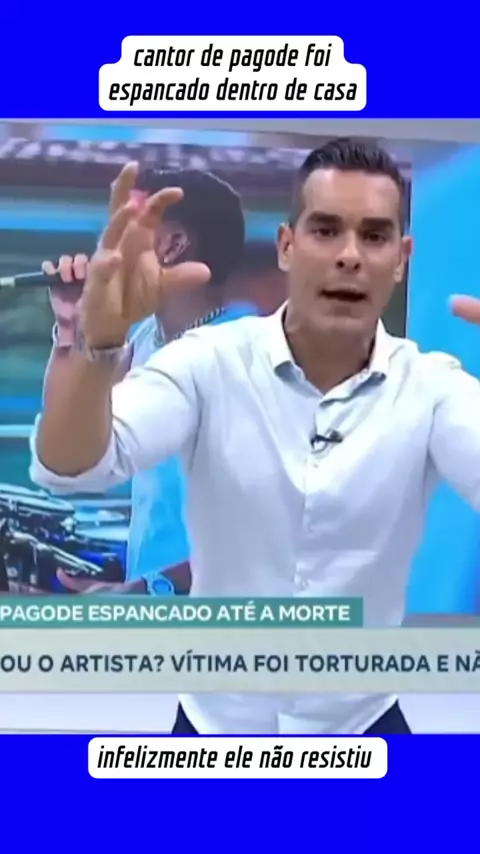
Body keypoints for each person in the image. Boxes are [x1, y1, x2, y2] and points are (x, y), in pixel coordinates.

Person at [28, 137, 480, 735]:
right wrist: (90, 339)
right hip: (209, 718)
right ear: (288, 246)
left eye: (374, 236)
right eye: (326, 230)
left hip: (362, 725)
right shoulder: (202, 360)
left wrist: (149, 588)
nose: (349, 256)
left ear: (401, 258)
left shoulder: (435, 388)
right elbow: (71, 463)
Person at [34, 167, 253, 596]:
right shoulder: (144, 339)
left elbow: (266, 528)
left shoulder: (246, 355)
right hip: (153, 605)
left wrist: (144, 590)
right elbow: (68, 451)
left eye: (124, 228)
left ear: (172, 245)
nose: (106, 247)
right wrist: (74, 324)